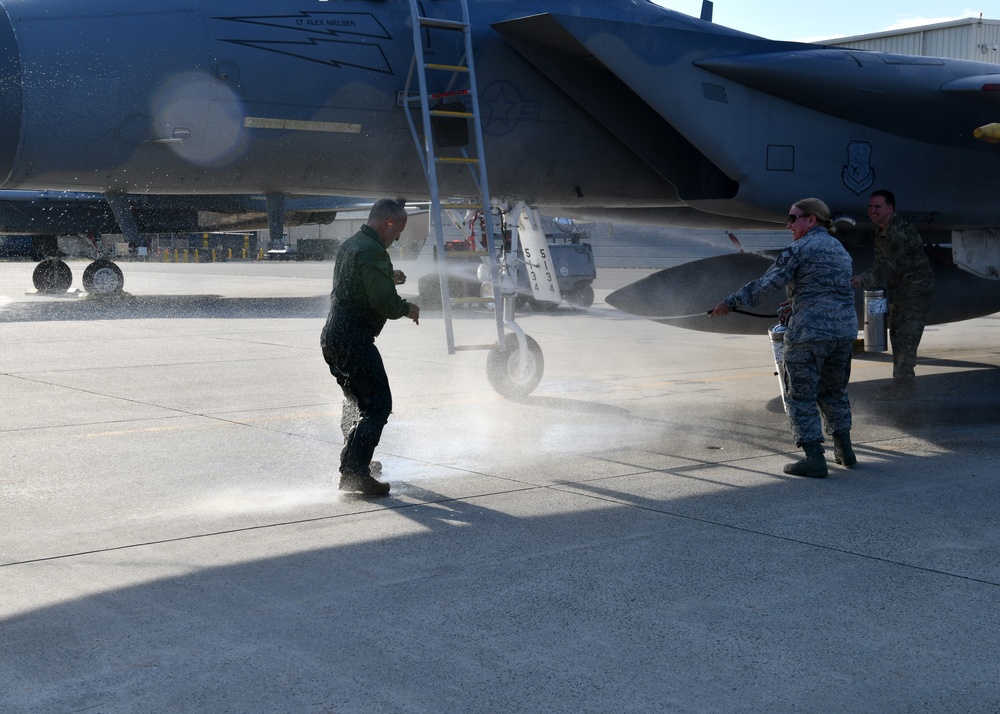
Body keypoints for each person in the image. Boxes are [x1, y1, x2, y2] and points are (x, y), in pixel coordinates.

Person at [710, 198, 858, 478]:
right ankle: (845, 452)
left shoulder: (800, 249)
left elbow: (768, 284)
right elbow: (828, 289)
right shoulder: (839, 249)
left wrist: (730, 302)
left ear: (811, 220)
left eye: (793, 218)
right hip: (843, 332)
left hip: (810, 334)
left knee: (800, 395)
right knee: (834, 391)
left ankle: (814, 458)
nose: (788, 224)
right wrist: (797, 303)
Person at [321, 198, 420, 495]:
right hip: (354, 340)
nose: (398, 237)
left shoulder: (353, 244)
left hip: (334, 338)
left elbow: (357, 281)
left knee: (356, 401)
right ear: (388, 223)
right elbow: (383, 303)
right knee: (378, 405)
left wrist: (389, 277)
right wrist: (407, 308)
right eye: (398, 230)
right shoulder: (374, 250)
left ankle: (355, 460)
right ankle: (353, 473)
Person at [850, 189, 935, 400]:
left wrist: (863, 280)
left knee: (906, 336)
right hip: (902, 289)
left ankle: (904, 385)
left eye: (877, 207)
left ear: (890, 208)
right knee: (897, 334)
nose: (872, 211)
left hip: (915, 290)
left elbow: (888, 265)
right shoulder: (882, 230)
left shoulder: (899, 232)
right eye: (870, 207)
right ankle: (901, 383)